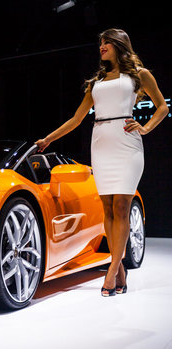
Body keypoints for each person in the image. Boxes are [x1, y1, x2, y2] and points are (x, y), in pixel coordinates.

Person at [35, 28, 168, 297]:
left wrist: (145, 128)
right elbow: (76, 119)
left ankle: (111, 269)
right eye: (100, 43)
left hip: (127, 144)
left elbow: (162, 107)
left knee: (121, 205)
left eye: (106, 42)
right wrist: (48, 139)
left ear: (119, 45)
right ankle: (119, 270)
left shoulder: (138, 75)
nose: (101, 47)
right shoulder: (97, 81)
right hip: (101, 143)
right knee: (107, 208)